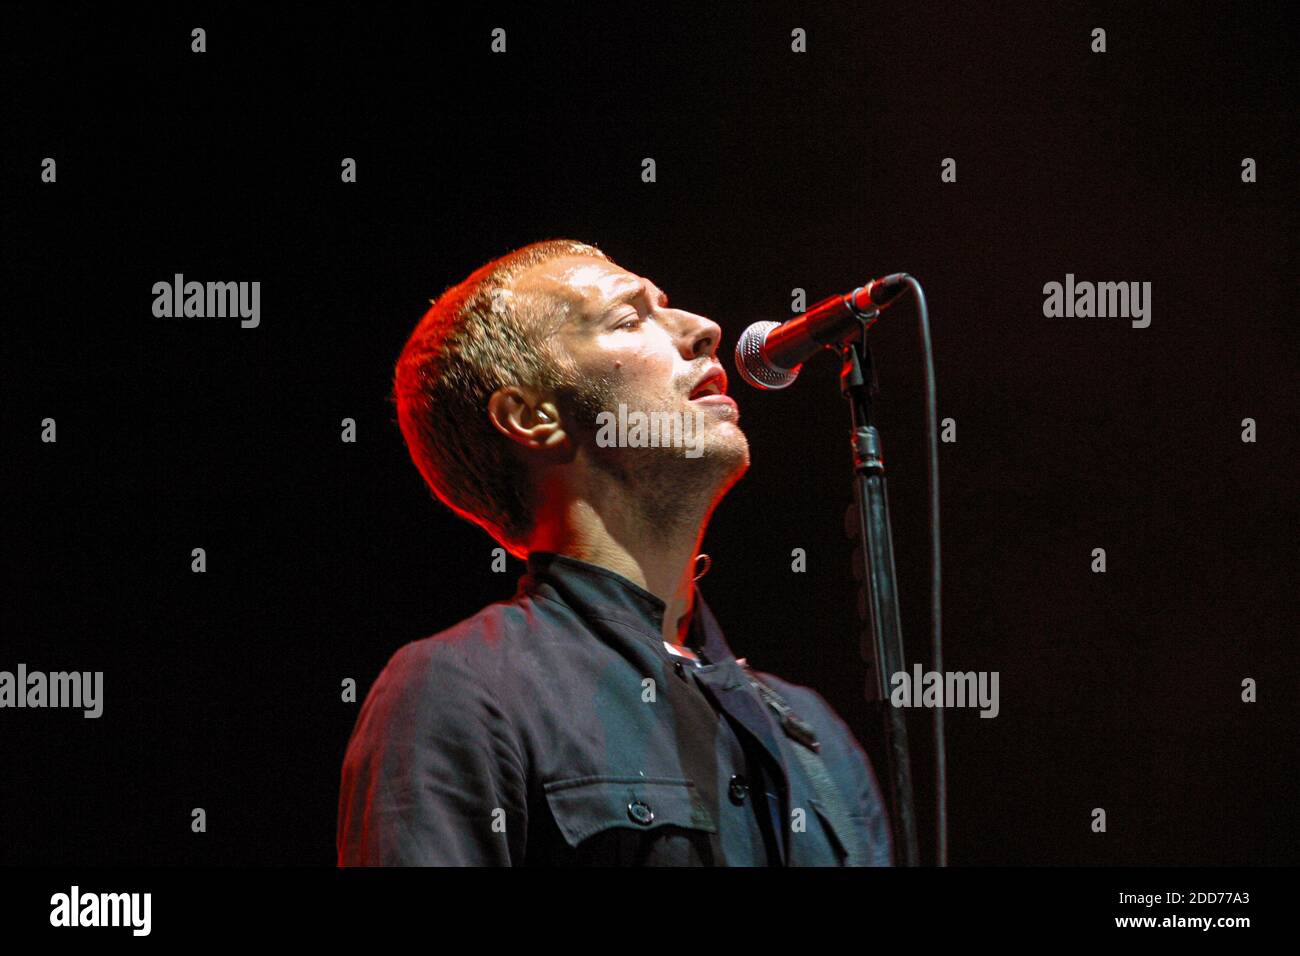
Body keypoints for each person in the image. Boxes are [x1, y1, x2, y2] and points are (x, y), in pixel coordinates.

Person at [337, 238, 893, 865]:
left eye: (666, 306)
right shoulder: (462, 691)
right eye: (629, 319)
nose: (705, 330)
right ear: (531, 418)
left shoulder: (814, 736)